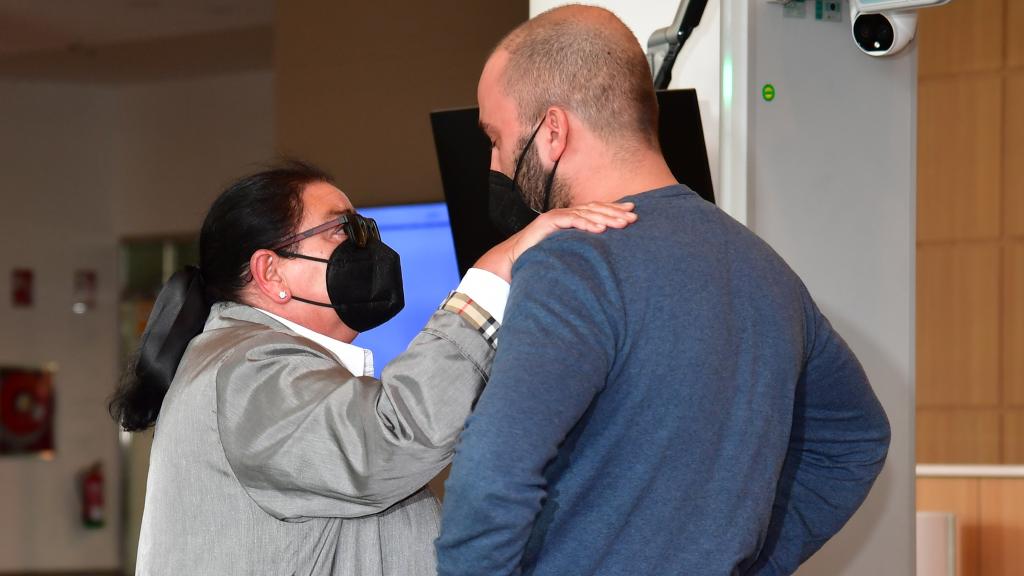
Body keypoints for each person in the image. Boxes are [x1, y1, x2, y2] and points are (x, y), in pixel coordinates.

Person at [436, 6, 892, 576]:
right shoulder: (764, 268)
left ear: (552, 131)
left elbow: (492, 474)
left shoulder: (574, 262)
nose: (495, 161)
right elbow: (856, 439)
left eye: (496, 138)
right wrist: (756, 562)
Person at [108, 160, 636, 576]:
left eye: (366, 229)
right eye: (343, 232)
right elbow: (394, 437)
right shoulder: (247, 372)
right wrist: (495, 272)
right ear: (271, 273)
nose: (369, 248)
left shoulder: (250, 364)